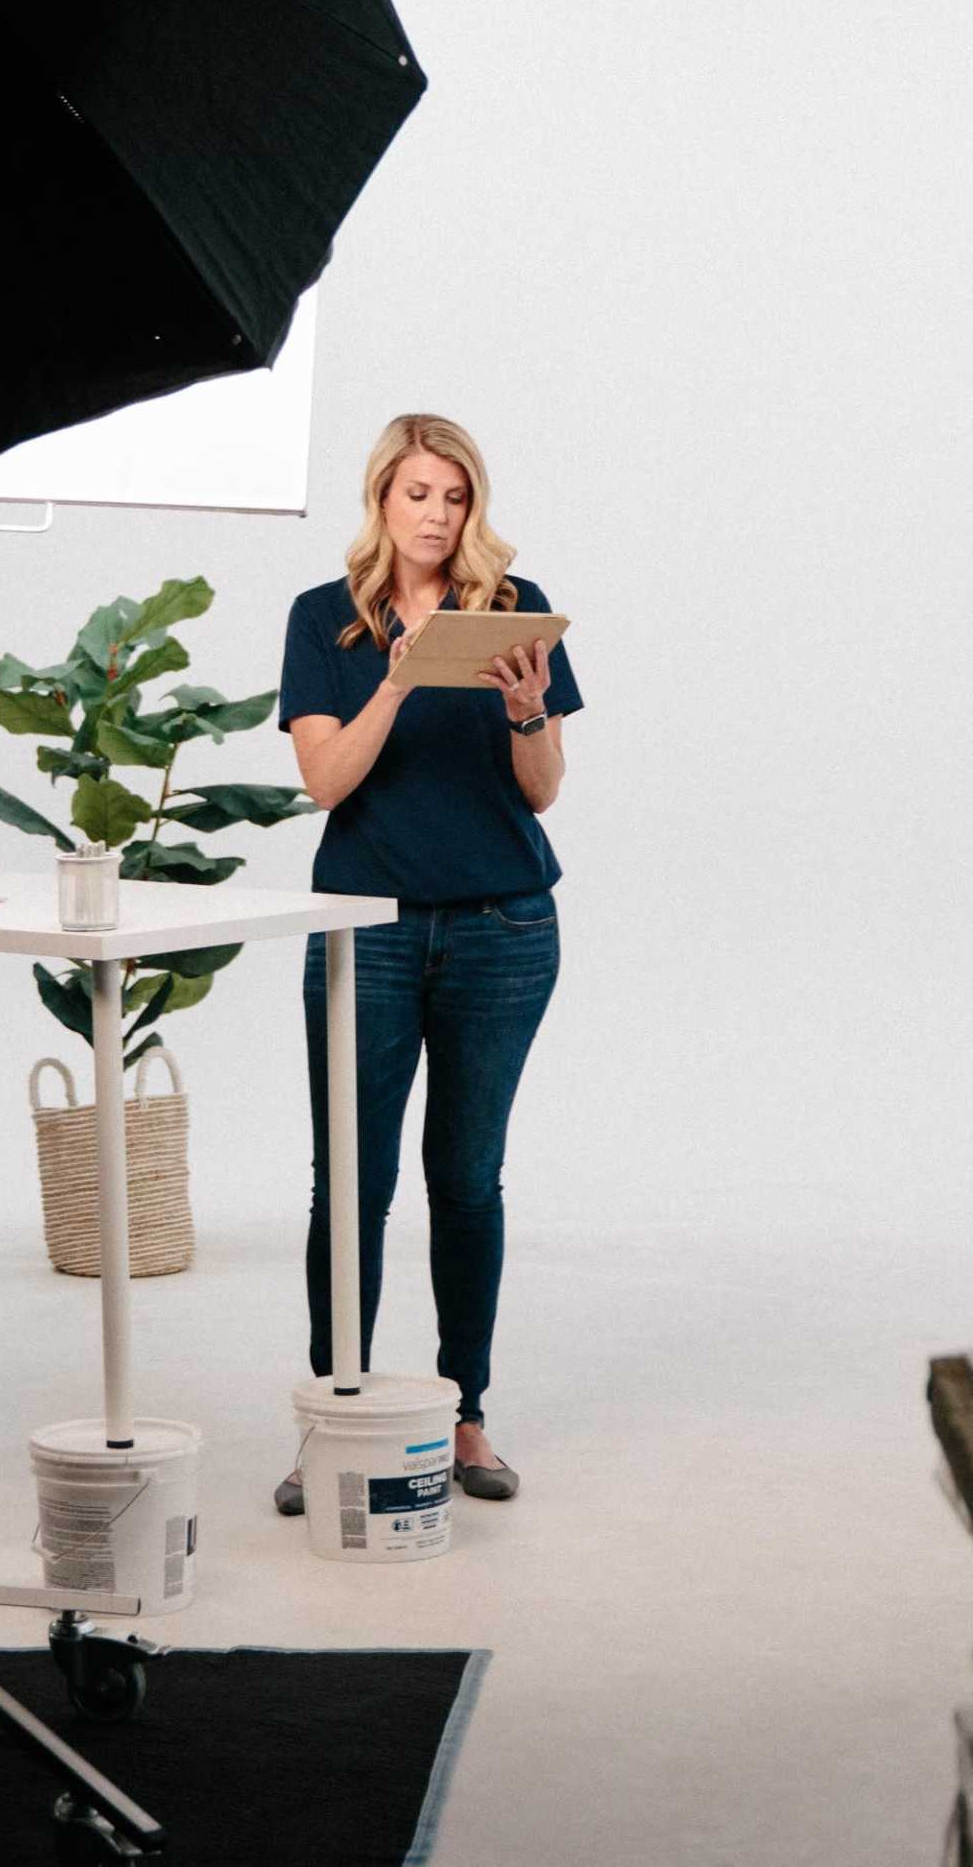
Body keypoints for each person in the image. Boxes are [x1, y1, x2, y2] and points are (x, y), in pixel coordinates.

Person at [274, 411, 581, 1513]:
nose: (437, 517)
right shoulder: (325, 623)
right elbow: (326, 783)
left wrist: (524, 704)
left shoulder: (512, 610)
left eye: (455, 498)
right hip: (369, 929)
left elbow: (543, 789)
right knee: (350, 1183)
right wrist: (400, 681)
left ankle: (464, 1418)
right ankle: (336, 1416)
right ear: (382, 502)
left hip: (503, 929)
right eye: (418, 495)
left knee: (467, 1180)